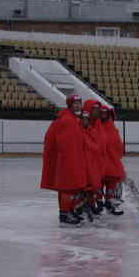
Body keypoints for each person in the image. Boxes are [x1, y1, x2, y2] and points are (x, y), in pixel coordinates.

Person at [41, 94, 86, 225]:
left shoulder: (72, 119)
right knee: (67, 188)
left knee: (69, 189)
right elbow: (65, 144)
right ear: (70, 104)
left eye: (79, 103)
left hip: (71, 160)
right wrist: (70, 160)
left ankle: (68, 211)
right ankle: (65, 215)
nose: (78, 105)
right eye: (75, 103)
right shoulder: (67, 120)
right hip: (67, 161)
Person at [99, 106, 126, 216]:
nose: (103, 115)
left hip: (111, 161)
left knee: (111, 184)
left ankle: (109, 203)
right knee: (98, 184)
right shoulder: (97, 126)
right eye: (102, 113)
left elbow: (117, 144)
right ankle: (98, 203)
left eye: (105, 113)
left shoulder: (112, 128)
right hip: (101, 162)